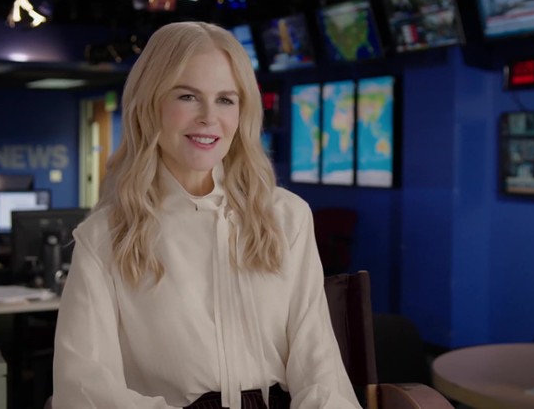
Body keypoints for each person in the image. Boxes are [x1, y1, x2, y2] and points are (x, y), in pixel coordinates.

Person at [52, 21, 360, 409]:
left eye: (226, 100)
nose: (209, 117)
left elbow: (319, 370)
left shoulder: (288, 216)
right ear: (149, 105)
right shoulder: (104, 236)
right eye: (187, 96)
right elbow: (83, 387)